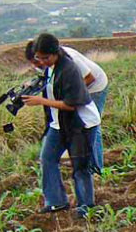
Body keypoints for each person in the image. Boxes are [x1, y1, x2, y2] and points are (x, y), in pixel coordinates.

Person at [22, 32, 101, 217]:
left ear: (55, 53)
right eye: (38, 58)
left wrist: (40, 101)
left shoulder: (69, 69)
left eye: (45, 57)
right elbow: (50, 89)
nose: (42, 62)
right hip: (59, 124)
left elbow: (71, 104)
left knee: (80, 166)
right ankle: (56, 201)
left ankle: (85, 206)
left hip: (80, 124)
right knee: (47, 158)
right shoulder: (51, 67)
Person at [25, 40, 109, 173]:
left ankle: (96, 167)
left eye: (37, 62)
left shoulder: (70, 59)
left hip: (95, 87)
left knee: (91, 124)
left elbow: (89, 78)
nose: (38, 66)